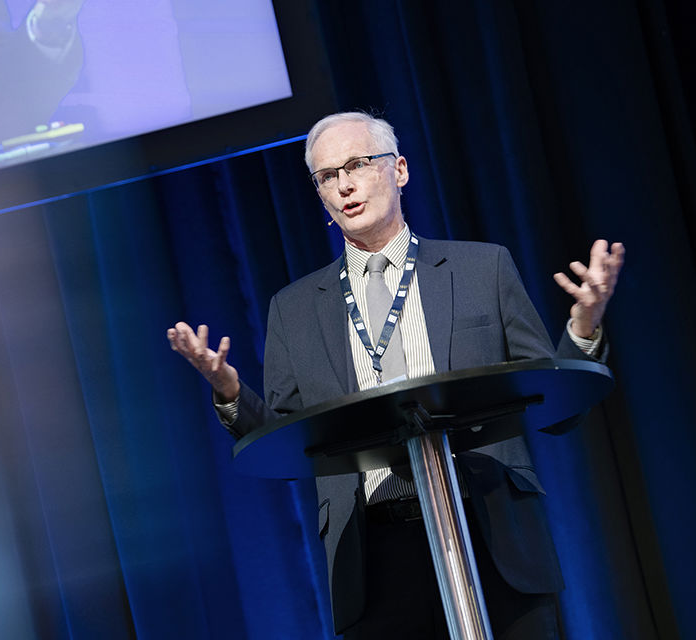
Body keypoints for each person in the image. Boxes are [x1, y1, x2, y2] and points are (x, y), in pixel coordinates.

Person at [167, 112, 624, 639]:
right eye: (326, 176)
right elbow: (288, 439)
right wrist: (227, 388)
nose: (344, 186)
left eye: (357, 165)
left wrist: (583, 324)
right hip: (376, 557)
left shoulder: (482, 269)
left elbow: (554, 404)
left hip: (493, 533)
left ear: (399, 170)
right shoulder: (293, 309)